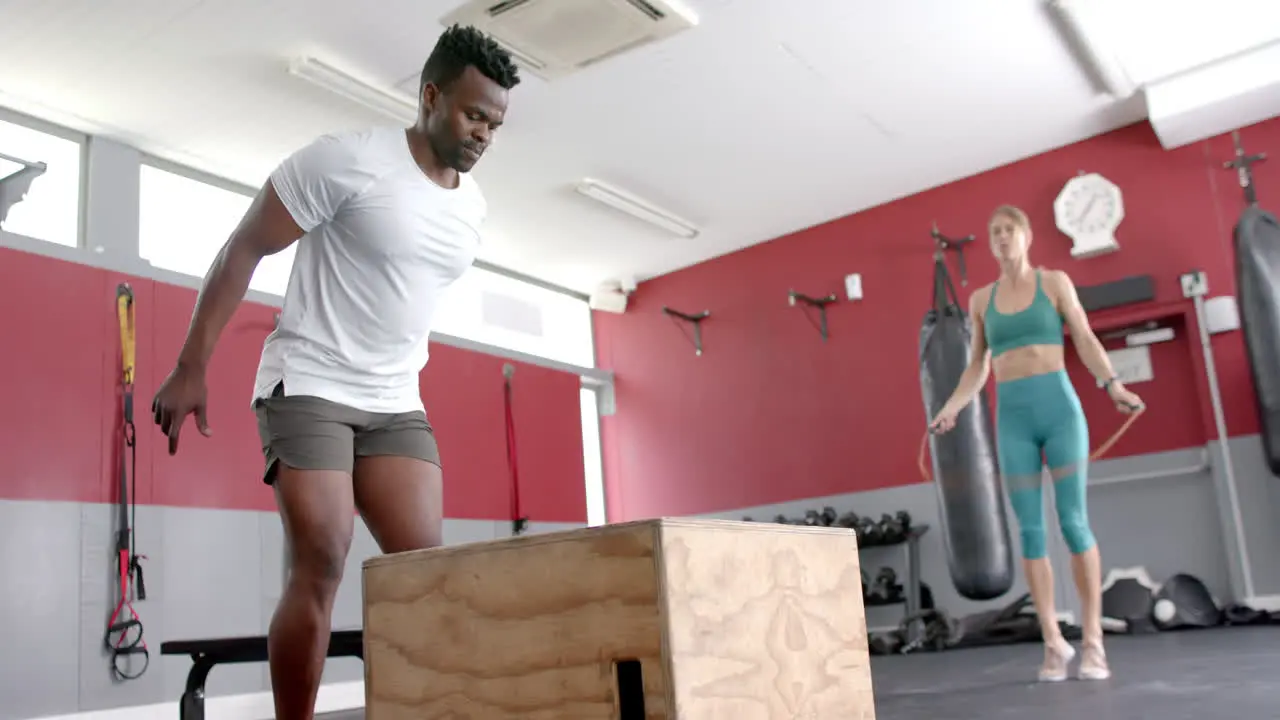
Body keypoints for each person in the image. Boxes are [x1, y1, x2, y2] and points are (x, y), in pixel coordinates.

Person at [148, 24, 520, 720]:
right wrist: (190, 364)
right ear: (431, 95)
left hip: (395, 399)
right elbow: (243, 247)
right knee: (323, 554)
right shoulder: (347, 160)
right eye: (474, 115)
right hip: (311, 382)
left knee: (425, 574)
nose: (483, 135)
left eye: (495, 124)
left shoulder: (472, 208)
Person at [929, 204, 1143, 683]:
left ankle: (1092, 641)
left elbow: (1084, 338)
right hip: (1013, 419)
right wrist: (953, 405)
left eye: (1009, 230)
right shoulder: (981, 299)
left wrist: (1113, 384)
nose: (1002, 237)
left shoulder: (1055, 283)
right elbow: (976, 366)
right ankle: (1052, 641)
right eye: (994, 232)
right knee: (1029, 531)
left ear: (1026, 237)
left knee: (1073, 522)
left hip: (1060, 411)